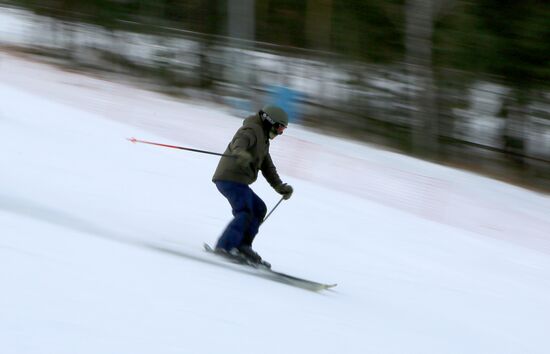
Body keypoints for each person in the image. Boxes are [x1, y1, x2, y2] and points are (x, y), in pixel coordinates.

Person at [212, 105, 294, 267]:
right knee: (245, 210)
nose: (280, 132)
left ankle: (242, 245)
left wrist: (279, 186)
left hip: (239, 181)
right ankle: (225, 246)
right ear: (269, 121)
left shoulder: (263, 139)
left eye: (283, 129)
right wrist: (240, 153)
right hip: (229, 178)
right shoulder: (251, 129)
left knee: (258, 208)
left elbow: (267, 167)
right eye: (279, 127)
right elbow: (239, 143)